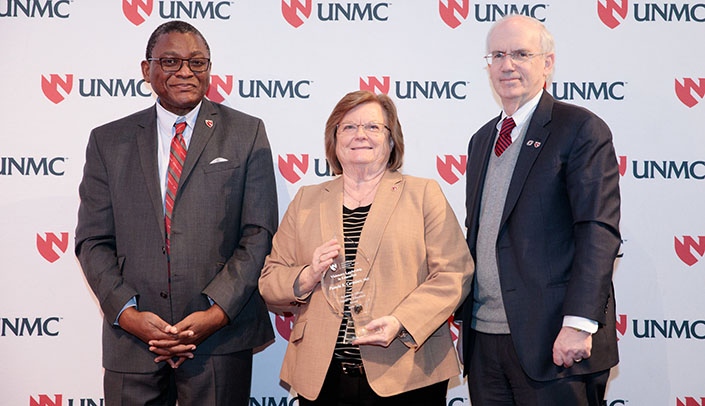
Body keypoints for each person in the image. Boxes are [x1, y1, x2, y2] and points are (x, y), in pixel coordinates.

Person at [75, 20, 278, 405]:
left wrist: (217, 313)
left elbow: (259, 231)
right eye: (170, 61)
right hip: (132, 342)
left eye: (197, 62)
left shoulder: (246, 132)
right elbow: (92, 239)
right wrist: (130, 315)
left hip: (219, 337)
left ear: (209, 69)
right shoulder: (108, 140)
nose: (185, 71)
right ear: (145, 69)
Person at [259, 90, 474, 405]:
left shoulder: (424, 194)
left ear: (391, 140)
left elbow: (454, 273)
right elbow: (269, 281)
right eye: (348, 127)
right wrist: (307, 275)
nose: (360, 135)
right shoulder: (306, 200)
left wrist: (401, 321)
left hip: (407, 373)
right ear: (334, 140)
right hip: (322, 377)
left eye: (373, 127)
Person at [456, 14, 621, 406]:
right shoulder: (482, 140)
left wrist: (579, 324)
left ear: (547, 63)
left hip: (554, 342)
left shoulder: (580, 128)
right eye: (497, 55)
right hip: (485, 343)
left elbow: (597, 230)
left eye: (520, 54)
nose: (506, 65)